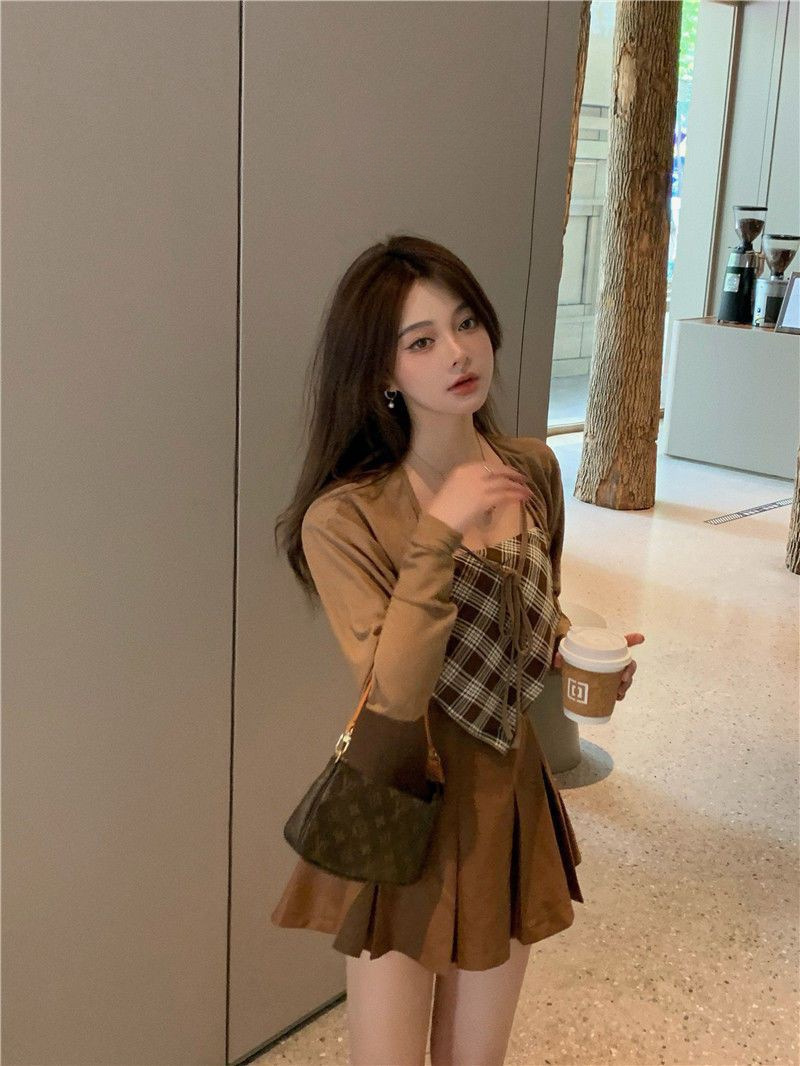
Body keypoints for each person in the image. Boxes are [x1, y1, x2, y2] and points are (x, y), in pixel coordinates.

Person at [271, 234, 641, 1066]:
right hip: (405, 802)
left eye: (467, 322)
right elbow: (396, 690)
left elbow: (531, 621)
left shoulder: (531, 469)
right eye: (422, 340)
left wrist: (577, 654)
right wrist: (438, 531)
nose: (458, 352)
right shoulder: (346, 517)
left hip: (509, 799)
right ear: (382, 371)